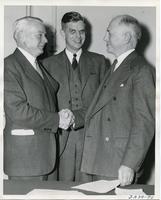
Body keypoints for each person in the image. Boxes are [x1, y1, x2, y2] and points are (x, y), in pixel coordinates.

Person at [81, 14, 155, 186]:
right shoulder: (116, 66)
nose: (104, 37)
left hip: (116, 163)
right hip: (98, 159)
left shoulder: (141, 70)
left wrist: (130, 163)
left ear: (126, 37)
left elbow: (145, 122)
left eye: (109, 33)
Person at [4, 16, 74, 180]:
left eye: (45, 35)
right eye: (40, 35)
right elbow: (17, 111)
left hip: (46, 156)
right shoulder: (9, 65)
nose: (46, 40)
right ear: (21, 37)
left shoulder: (36, 65)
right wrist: (57, 119)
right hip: (26, 161)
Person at [43, 11, 107, 181]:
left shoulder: (100, 62)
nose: (78, 36)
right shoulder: (47, 65)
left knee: (89, 189)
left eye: (82, 31)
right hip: (61, 139)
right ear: (63, 33)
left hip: (90, 138)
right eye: (73, 31)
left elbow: (105, 102)